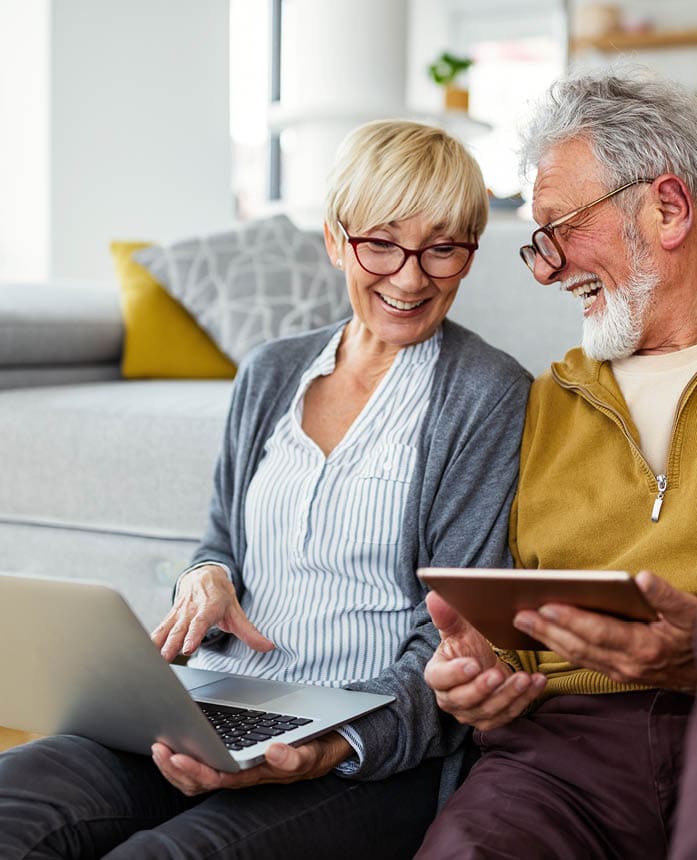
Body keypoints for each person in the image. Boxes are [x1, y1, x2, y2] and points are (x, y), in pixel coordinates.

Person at [0, 119, 531, 859]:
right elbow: (220, 540)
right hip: (212, 703)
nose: (410, 278)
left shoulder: (486, 394)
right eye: (381, 242)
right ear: (335, 240)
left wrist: (327, 745)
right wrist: (207, 578)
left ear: (470, 252)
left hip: (359, 749)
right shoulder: (271, 371)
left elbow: (451, 635)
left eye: (442, 248)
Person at [415, 67, 697, 859]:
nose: (544, 270)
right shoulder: (544, 399)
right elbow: (513, 616)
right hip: (564, 747)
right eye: (533, 245)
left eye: (558, 230)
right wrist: (477, 676)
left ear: (666, 207)